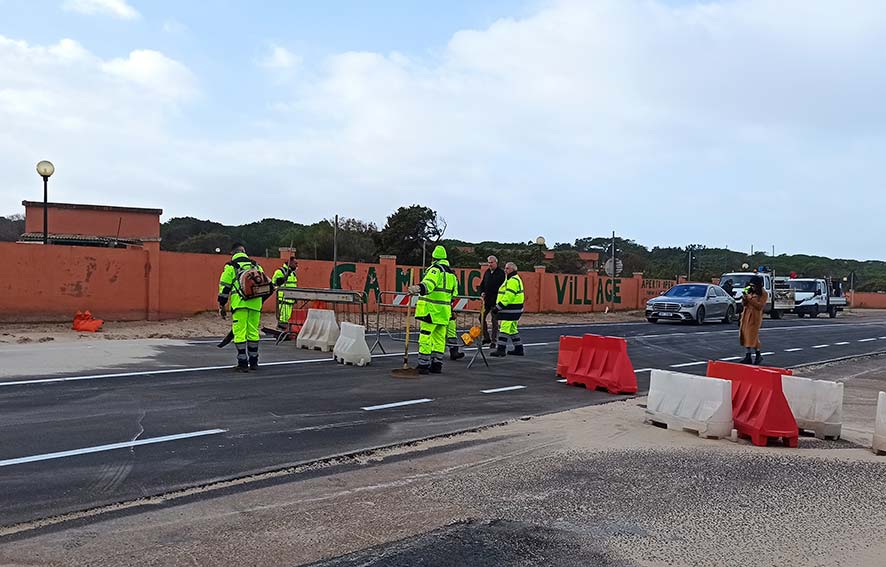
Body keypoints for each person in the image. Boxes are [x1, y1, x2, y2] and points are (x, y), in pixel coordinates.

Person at [408, 245, 458, 374]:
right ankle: (437, 365)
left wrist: (418, 288)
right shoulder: (451, 274)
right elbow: (454, 294)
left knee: (425, 336)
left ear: (434, 258)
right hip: (444, 313)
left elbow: (429, 283)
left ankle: (423, 365)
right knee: (439, 338)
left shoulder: (436, 270)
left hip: (431, 311)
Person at [218, 243, 265, 372]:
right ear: (244, 251)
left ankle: (242, 362)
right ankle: (254, 362)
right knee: (253, 332)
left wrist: (222, 304)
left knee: (239, 332)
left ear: (232, 253)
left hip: (240, 304)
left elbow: (224, 287)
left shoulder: (231, 266)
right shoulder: (255, 265)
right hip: (255, 304)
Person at [490, 261, 525, 357]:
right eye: (505, 268)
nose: (505, 270)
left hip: (510, 309)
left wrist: (498, 307)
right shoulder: (512, 279)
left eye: (507, 268)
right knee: (513, 329)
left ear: (513, 269)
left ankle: (501, 350)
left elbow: (509, 296)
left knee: (504, 328)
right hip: (515, 309)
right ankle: (519, 349)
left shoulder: (512, 280)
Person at [740, 275, 767, 365]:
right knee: (745, 335)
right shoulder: (750, 292)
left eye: (754, 286)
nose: (752, 287)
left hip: (755, 317)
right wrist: (744, 297)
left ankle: (757, 355)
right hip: (746, 315)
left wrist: (749, 298)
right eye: (751, 286)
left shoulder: (763, 293)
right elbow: (744, 304)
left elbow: (759, 306)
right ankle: (748, 355)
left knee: (752, 336)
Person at [478, 255, 506, 345]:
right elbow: (482, 284)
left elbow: (502, 287)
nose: (490, 264)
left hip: (495, 301)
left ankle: (494, 340)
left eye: (491, 262)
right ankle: (486, 337)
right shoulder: (487, 272)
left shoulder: (501, 273)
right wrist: (482, 292)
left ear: (496, 263)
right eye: (489, 262)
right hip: (487, 301)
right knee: (481, 318)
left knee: (494, 321)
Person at [272, 256, 299, 327]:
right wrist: (284, 278)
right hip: (283, 299)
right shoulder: (280, 271)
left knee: (287, 317)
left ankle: (284, 330)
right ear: (290, 263)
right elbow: (275, 283)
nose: (297, 265)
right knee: (283, 318)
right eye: (295, 263)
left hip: (291, 299)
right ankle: (281, 330)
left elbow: (294, 285)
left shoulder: (293, 273)